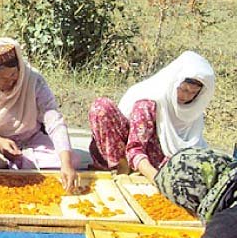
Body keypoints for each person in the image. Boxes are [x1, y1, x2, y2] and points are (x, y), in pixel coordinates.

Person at [0, 38, 78, 191]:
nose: (10, 82)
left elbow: (53, 119)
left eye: (14, 75)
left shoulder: (32, 80)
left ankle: (7, 163)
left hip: (28, 141)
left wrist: (66, 163)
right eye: (2, 79)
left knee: (68, 158)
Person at [89, 51, 215, 182]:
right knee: (101, 107)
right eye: (183, 89)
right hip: (131, 151)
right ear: (175, 83)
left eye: (193, 92)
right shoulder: (149, 102)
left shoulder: (193, 110)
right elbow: (135, 147)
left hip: (156, 160)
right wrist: (156, 179)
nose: (186, 96)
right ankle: (124, 166)